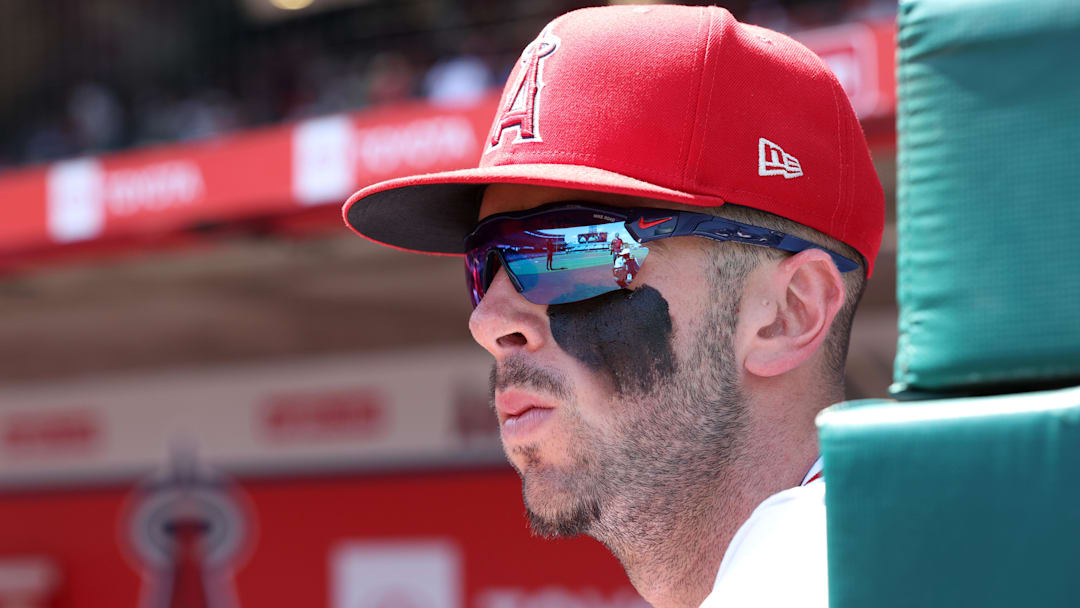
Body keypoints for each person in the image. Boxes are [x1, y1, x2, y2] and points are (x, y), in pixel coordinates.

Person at [343, 5, 884, 607]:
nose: (488, 320)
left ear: (789, 313)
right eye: (485, 265)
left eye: (570, 253)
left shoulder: (855, 575)